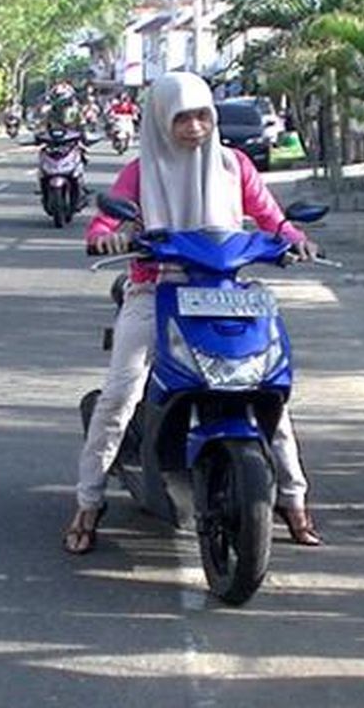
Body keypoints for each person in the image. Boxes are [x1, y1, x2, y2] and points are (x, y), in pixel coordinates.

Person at [63, 71, 324, 554]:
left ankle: (294, 499)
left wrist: (296, 240)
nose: (195, 128)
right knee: (121, 394)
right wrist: (108, 235)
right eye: (182, 118)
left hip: (229, 288)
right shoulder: (139, 172)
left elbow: (272, 217)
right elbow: (104, 220)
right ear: (162, 120)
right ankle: (88, 501)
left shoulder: (234, 164)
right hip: (155, 289)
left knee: (269, 392)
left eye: (203, 116)